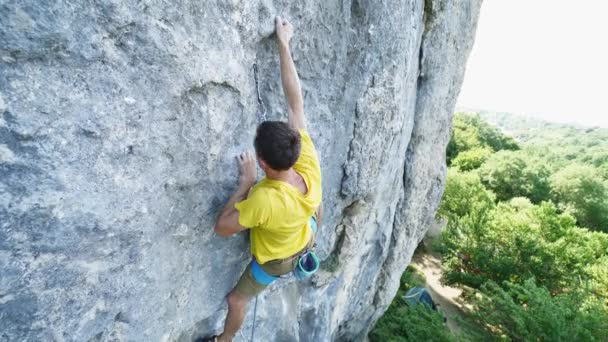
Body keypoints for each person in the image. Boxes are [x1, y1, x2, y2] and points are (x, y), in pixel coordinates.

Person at [209, 16, 323, 342]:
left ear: (261, 162)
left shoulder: (265, 199)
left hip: (277, 261)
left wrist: (245, 183)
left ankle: (225, 339)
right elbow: (294, 99)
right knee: (316, 208)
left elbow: (223, 227)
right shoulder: (306, 158)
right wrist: (284, 44)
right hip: (306, 231)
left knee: (236, 300)